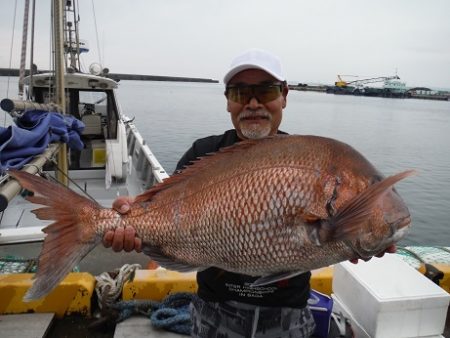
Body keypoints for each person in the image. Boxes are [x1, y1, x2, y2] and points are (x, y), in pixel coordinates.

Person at [102, 49, 396, 337]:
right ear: (228, 102)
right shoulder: (203, 153)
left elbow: (323, 237)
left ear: (284, 96)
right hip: (213, 314)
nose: (253, 103)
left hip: (289, 318)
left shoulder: (308, 157)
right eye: (240, 93)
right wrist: (131, 216)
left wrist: (363, 238)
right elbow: (160, 209)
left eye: (266, 91)